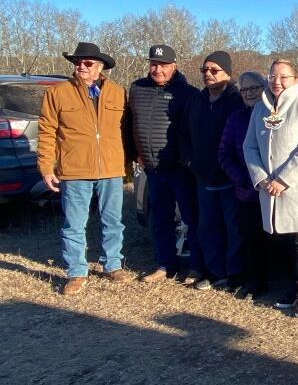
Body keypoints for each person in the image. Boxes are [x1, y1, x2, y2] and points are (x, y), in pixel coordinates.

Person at [38, 42, 134, 295]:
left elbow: (126, 131)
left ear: (100, 67)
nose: (81, 66)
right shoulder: (58, 93)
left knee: (113, 221)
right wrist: (46, 167)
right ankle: (77, 272)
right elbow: (47, 131)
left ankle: (112, 265)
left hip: (111, 169)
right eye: (78, 62)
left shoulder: (117, 92)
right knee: (74, 224)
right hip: (75, 169)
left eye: (87, 62)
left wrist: (128, 164)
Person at [243, 58, 298, 319]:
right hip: (269, 189)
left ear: (296, 79)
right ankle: (294, 288)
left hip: (297, 188)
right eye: (272, 77)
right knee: (284, 241)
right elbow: (250, 146)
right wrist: (261, 178)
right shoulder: (260, 110)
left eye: (283, 77)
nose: (276, 82)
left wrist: (284, 179)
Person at [126, 44, 203, 283]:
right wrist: (134, 154)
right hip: (153, 169)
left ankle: (197, 267)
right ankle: (165, 265)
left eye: (163, 65)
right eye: (154, 64)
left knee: (192, 219)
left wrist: (187, 160)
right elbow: (127, 124)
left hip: (180, 170)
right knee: (161, 219)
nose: (157, 69)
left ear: (174, 66)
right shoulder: (137, 89)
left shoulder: (189, 93)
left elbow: (194, 131)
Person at [180, 51, 244, 290]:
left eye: (214, 70)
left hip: (231, 178)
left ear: (228, 73)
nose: (208, 74)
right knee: (208, 227)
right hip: (203, 176)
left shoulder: (237, 100)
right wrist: (189, 161)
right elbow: (183, 134)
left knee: (233, 229)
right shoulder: (196, 101)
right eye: (204, 70)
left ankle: (234, 274)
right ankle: (213, 271)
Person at [218, 71, 270, 295]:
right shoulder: (236, 118)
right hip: (248, 191)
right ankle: (256, 281)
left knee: (285, 240)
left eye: (254, 88)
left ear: (265, 88)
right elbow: (224, 154)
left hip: (277, 189)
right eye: (245, 89)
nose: (249, 93)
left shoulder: (274, 115)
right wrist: (241, 178)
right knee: (251, 239)